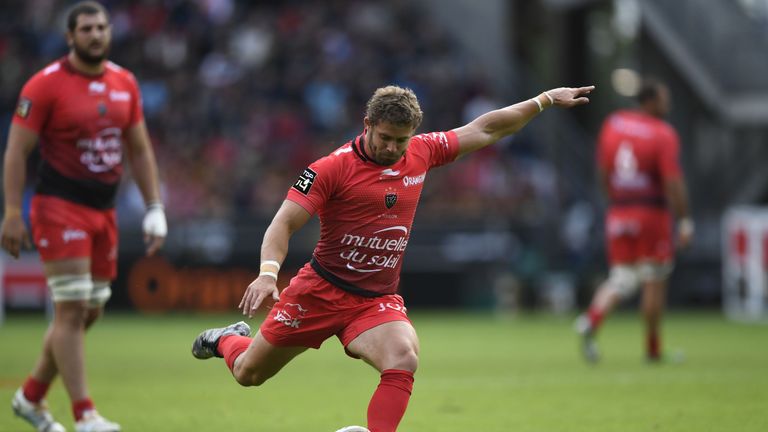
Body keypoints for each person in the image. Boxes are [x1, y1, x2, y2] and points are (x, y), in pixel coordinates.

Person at [191, 83, 593, 431]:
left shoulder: (422, 152)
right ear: (367, 125)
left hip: (373, 300)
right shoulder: (330, 169)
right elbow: (282, 224)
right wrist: (266, 273)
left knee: (403, 356)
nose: (392, 147)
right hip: (319, 291)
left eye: (401, 140)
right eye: (384, 137)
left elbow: (486, 128)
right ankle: (227, 338)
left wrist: (544, 100)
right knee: (249, 374)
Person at [1, 2, 167, 431]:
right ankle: (85, 415)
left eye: (101, 27)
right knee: (71, 310)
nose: (96, 34)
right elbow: (16, 151)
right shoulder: (45, 85)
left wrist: (154, 207)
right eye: (87, 29)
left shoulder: (124, 83)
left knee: (88, 311)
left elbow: (140, 148)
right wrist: (10, 212)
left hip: (103, 211)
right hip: (59, 207)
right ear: (70, 36)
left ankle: (30, 397)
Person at [575, 78, 693, 363]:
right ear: (650, 101)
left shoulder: (614, 124)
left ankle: (591, 319)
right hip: (651, 213)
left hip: (619, 211)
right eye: (664, 99)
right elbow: (673, 181)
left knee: (622, 279)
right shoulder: (663, 133)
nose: (668, 104)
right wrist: (685, 220)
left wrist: (613, 202)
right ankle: (653, 350)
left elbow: (602, 170)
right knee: (654, 279)